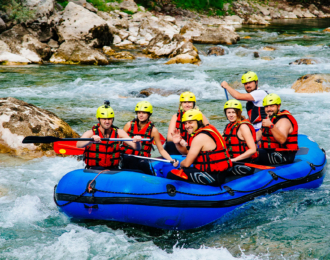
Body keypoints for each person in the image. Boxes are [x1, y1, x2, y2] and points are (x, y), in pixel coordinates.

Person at [167, 109, 232, 186]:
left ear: (199, 122)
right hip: (217, 173)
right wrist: (177, 143)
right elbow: (188, 152)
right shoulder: (206, 130)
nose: (187, 126)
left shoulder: (200, 137)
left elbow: (187, 163)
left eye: (191, 122)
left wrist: (180, 165)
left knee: (171, 174)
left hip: (213, 176)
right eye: (185, 123)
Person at [77, 101, 142, 170]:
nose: (107, 122)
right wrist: (90, 141)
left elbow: (137, 147)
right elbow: (79, 144)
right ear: (98, 119)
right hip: (94, 169)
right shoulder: (91, 133)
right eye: (104, 119)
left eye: (109, 119)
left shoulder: (119, 133)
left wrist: (137, 141)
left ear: (112, 119)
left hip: (113, 170)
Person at [121, 101, 179, 174]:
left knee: (143, 163)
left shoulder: (153, 130)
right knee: (129, 159)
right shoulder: (128, 125)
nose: (141, 115)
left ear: (149, 114)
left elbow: (161, 150)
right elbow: (118, 143)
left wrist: (171, 160)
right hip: (127, 156)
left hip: (142, 158)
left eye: (144, 113)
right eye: (139, 113)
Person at [256, 93, 299, 165]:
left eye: (272, 106)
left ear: (278, 106)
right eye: (266, 107)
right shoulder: (270, 119)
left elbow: (282, 140)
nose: (269, 109)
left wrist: (271, 126)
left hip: (283, 155)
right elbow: (256, 137)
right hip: (269, 152)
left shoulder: (284, 121)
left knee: (254, 155)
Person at [223, 99, 258, 175]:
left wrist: (234, 159)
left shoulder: (243, 127)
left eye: (234, 112)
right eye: (228, 112)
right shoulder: (228, 126)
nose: (231, 115)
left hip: (244, 163)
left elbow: (252, 150)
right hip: (232, 161)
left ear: (239, 113)